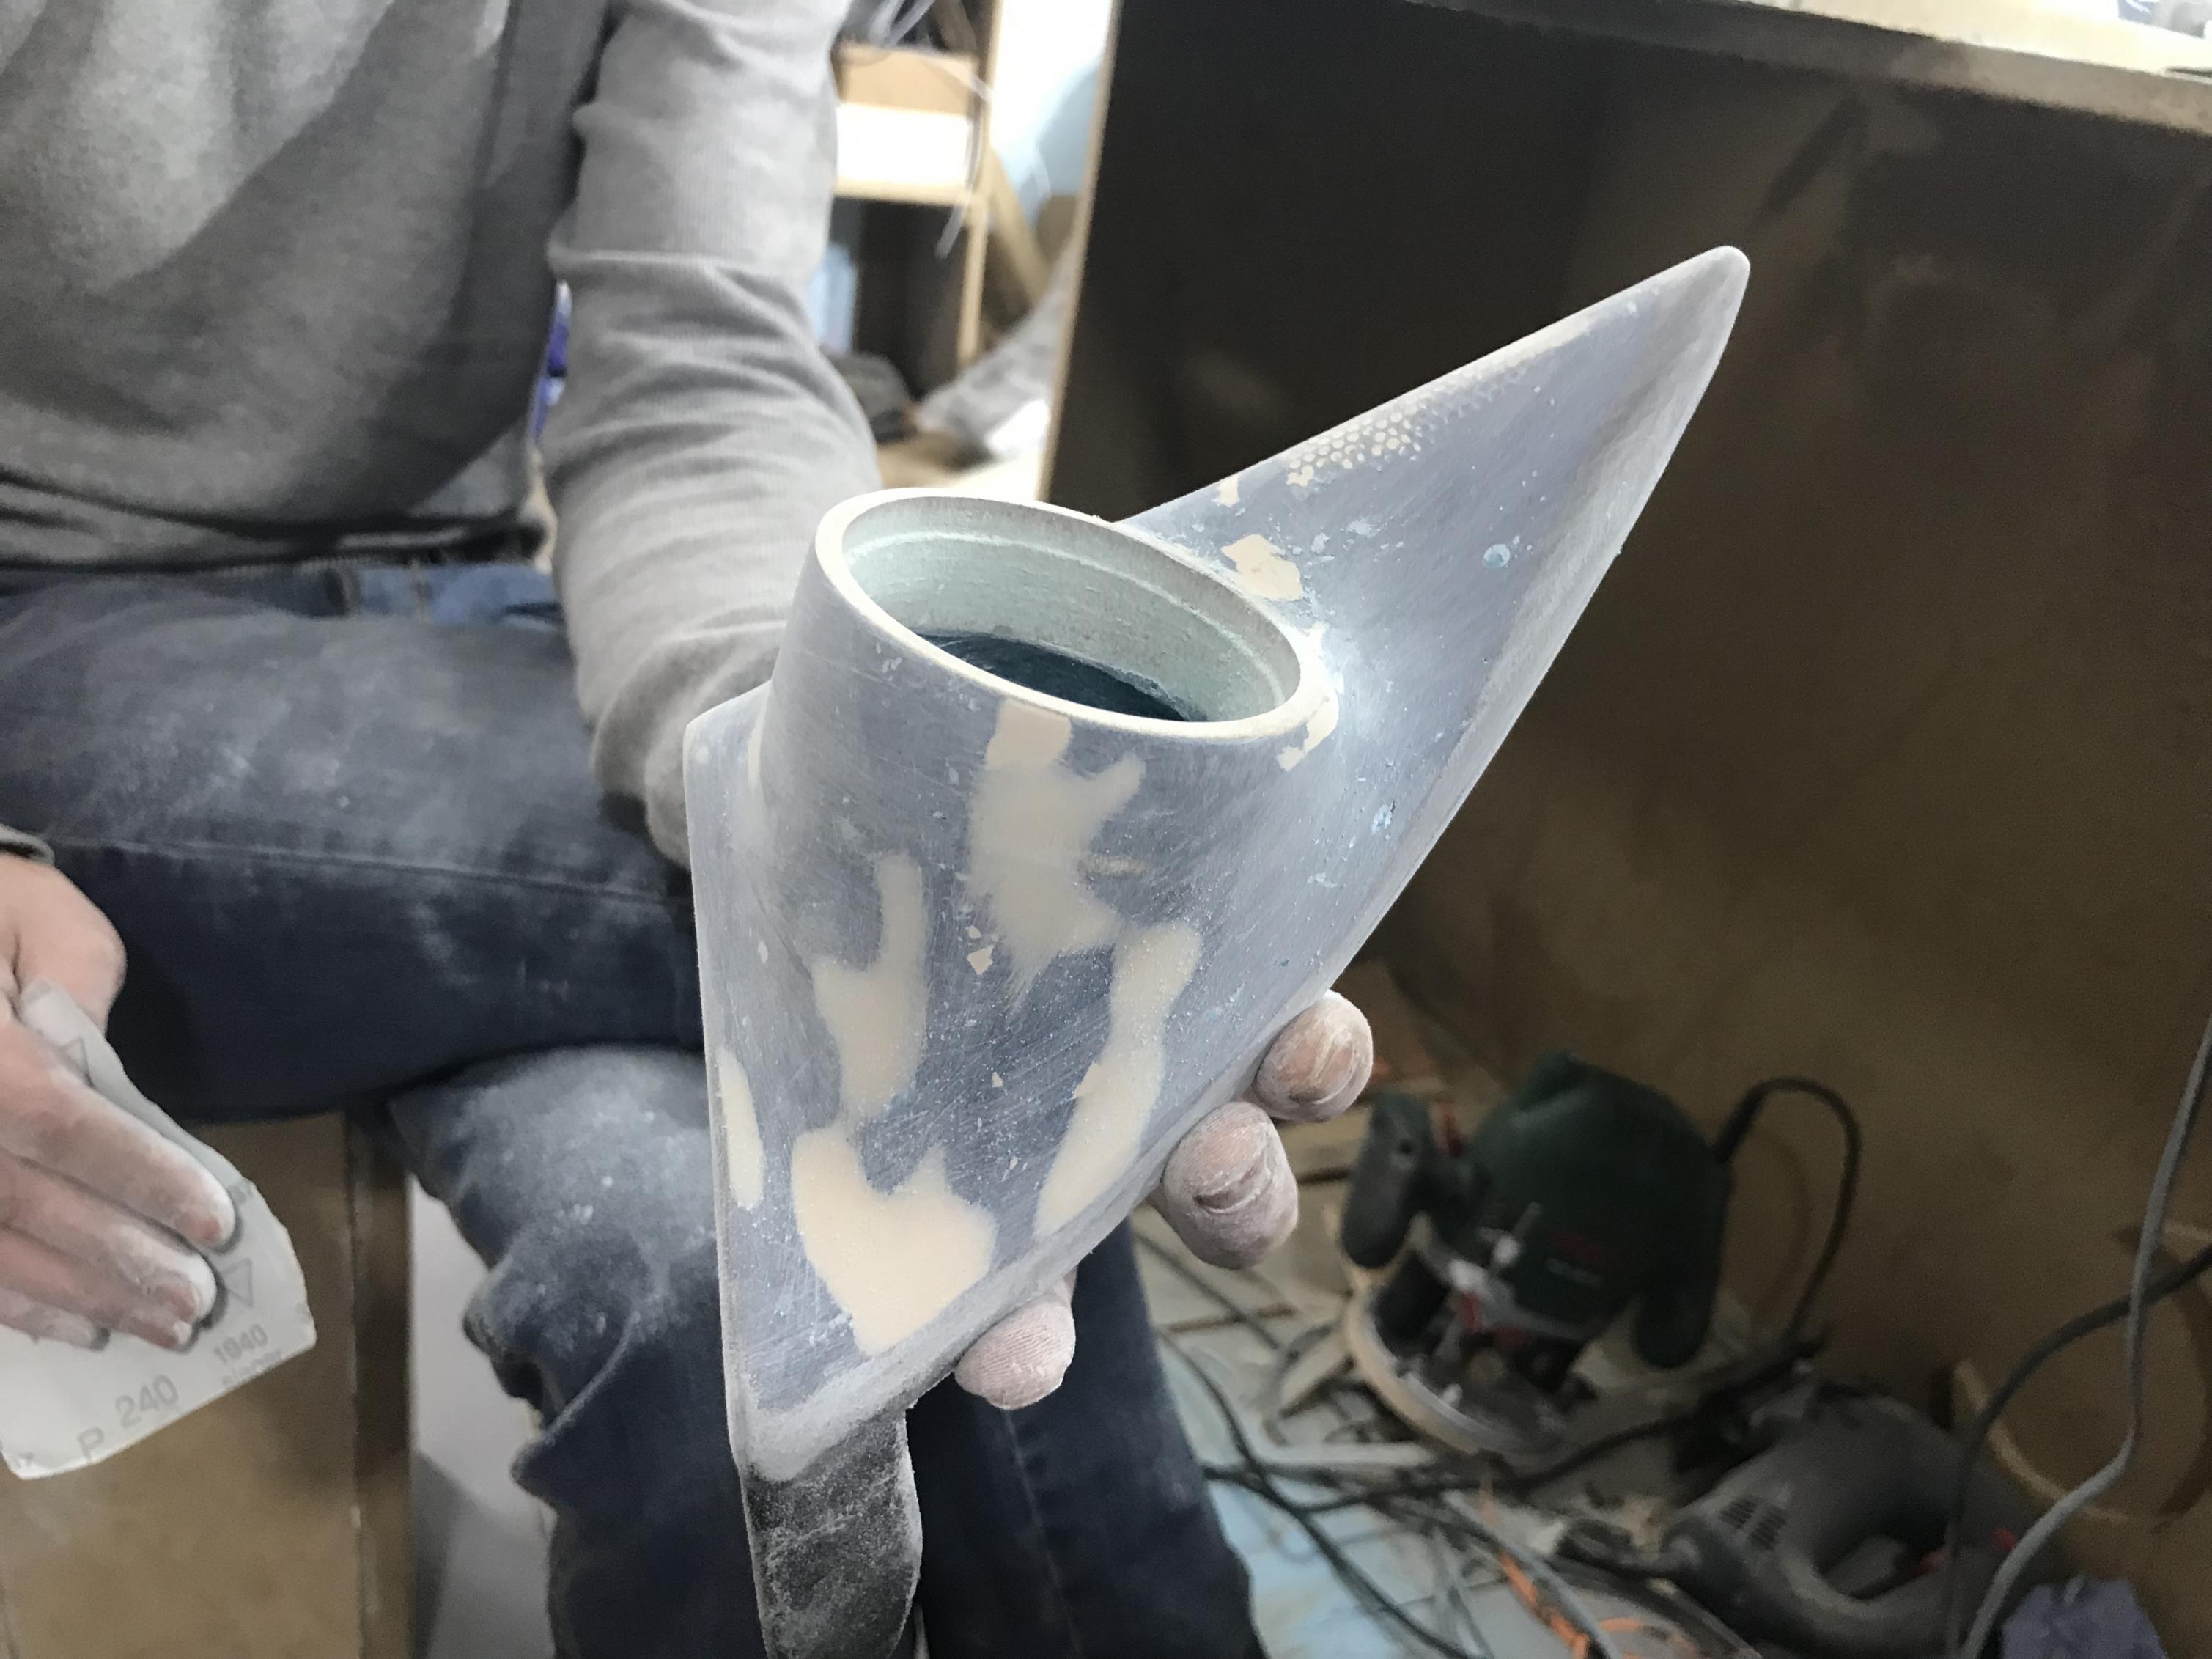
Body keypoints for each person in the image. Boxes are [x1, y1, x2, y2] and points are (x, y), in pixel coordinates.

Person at [0, 4, 1374, 1655]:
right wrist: (1045, 934)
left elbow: (699, 357)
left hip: (484, 608)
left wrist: (781, 737)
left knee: (728, 1285)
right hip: (52, 622)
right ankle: (1136, 995)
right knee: (990, 974)